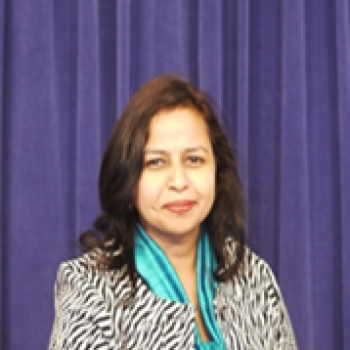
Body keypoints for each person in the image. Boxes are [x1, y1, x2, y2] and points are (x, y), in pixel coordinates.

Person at [49, 74, 298, 349]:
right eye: (156, 162)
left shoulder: (252, 274)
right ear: (129, 180)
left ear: (217, 171)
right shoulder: (89, 286)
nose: (179, 182)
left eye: (194, 159)